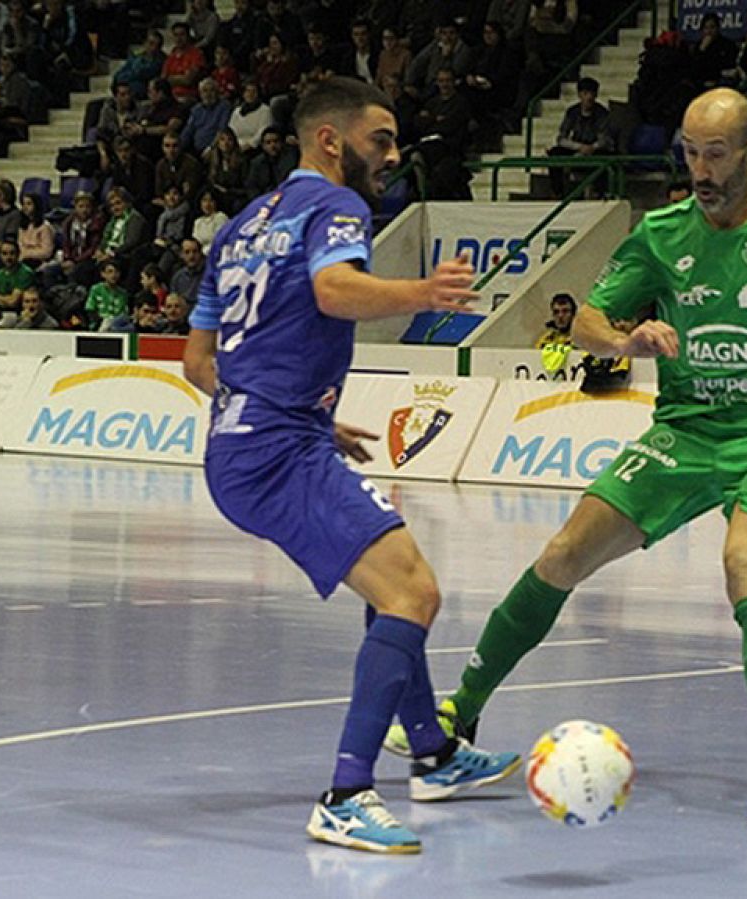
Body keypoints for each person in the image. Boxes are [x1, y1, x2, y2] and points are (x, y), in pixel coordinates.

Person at [384, 88, 747, 832]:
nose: (700, 168)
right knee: (561, 553)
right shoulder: (660, 233)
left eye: (715, 153)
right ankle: (460, 710)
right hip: (681, 432)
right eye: (688, 151)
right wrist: (623, 342)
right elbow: (584, 319)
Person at [180, 76, 519, 855]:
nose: (392, 156)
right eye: (382, 139)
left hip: (244, 443)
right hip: (273, 452)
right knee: (414, 589)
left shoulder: (237, 228)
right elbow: (333, 290)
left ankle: (432, 753)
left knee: (393, 579)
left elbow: (200, 361)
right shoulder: (336, 208)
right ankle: (345, 792)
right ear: (329, 141)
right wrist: (421, 290)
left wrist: (292, 409)